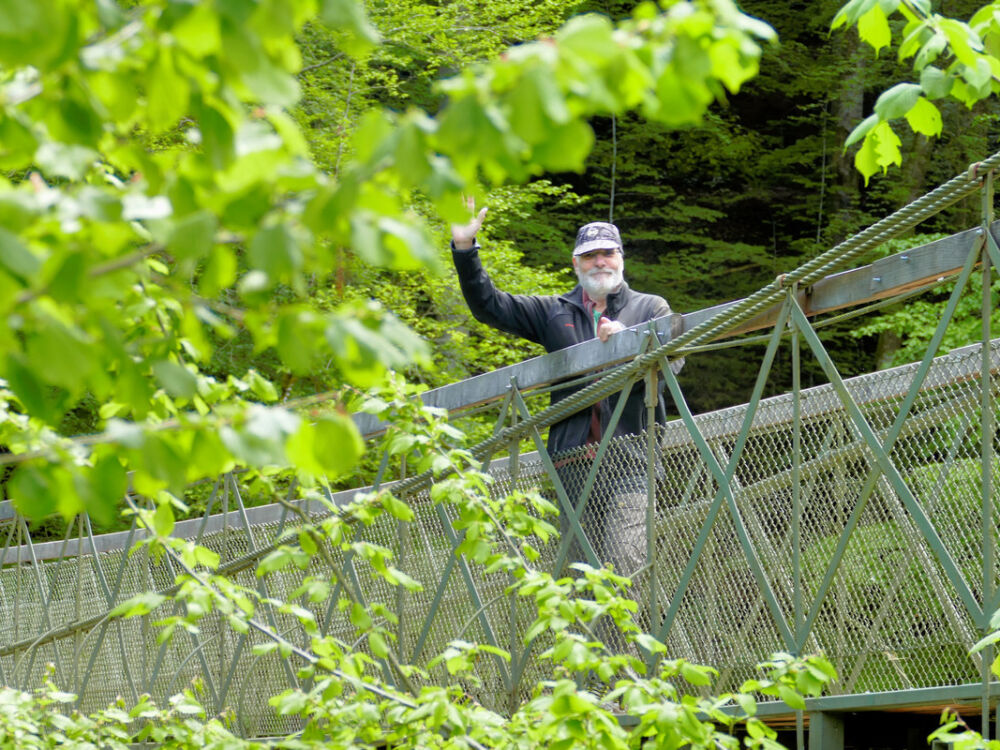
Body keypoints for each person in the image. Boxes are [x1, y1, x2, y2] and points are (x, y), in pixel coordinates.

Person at [450, 205, 680, 587]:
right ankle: (589, 631)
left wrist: (628, 342)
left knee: (626, 568)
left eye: (607, 253)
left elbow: (673, 364)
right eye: (590, 255)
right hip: (571, 467)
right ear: (576, 263)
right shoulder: (554, 312)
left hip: (632, 461)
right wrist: (465, 248)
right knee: (579, 582)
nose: (599, 262)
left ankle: (623, 631)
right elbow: (489, 306)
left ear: (621, 258)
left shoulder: (650, 307)